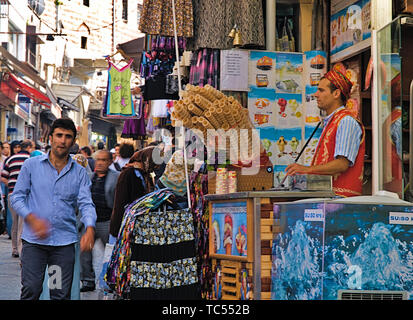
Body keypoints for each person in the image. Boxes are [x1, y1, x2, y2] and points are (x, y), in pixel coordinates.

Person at [9, 118, 97, 300]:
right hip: (34, 243)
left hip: (62, 245)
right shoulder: (31, 166)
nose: (62, 141)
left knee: (59, 293)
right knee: (31, 290)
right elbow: (17, 197)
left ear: (73, 142)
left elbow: (86, 202)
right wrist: (31, 218)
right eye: (59, 135)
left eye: (67, 137)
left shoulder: (79, 173)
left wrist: (90, 227)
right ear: (50, 138)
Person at [285, 69, 365, 197]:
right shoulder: (332, 121)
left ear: (336, 93)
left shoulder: (346, 121)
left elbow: (342, 164)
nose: (316, 94)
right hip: (330, 198)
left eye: (321, 90)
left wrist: (306, 169)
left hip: (341, 200)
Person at [80, 150, 119, 292]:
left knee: (110, 253)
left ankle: (111, 280)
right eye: (98, 160)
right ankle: (88, 280)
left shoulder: (116, 177)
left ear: (109, 162)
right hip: (90, 222)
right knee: (84, 252)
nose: (100, 163)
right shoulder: (90, 177)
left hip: (106, 221)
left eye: (104, 160)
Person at [110, 146, 159, 237]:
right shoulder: (128, 173)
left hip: (136, 226)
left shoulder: (145, 174)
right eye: (154, 163)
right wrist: (118, 229)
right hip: (124, 225)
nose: (156, 167)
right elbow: (120, 202)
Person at [1, 140, 32, 257]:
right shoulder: (31, 159)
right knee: (22, 224)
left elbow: (3, 177)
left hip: (12, 194)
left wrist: (12, 186)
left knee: (15, 222)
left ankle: (14, 249)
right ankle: (21, 250)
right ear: (28, 148)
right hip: (26, 196)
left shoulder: (10, 159)